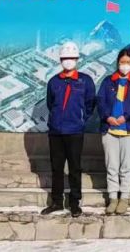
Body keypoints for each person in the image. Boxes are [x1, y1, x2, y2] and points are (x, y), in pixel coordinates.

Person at [41, 42, 96, 217]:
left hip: (75, 131)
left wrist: (81, 119)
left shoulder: (85, 81)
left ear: (77, 59)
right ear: (60, 60)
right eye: (65, 58)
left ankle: (74, 203)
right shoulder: (54, 81)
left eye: (71, 58)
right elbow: (51, 103)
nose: (68, 61)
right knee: (57, 168)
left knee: (74, 168)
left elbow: (90, 103)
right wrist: (56, 120)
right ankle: (56, 202)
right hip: (56, 131)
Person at [98, 49, 130, 215]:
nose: (125, 65)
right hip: (110, 130)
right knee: (112, 166)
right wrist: (107, 117)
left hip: (129, 130)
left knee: (127, 166)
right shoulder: (108, 81)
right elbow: (101, 101)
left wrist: (126, 116)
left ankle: (124, 198)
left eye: (128, 63)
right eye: (122, 62)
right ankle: (113, 198)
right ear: (117, 63)